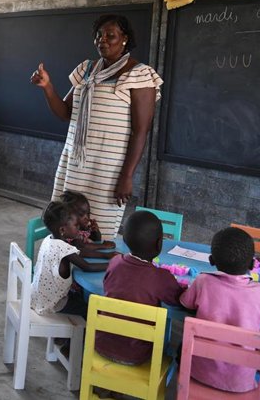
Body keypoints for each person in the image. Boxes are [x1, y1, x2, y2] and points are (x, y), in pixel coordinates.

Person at [30, 14, 163, 240]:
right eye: (99, 36)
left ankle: (89, 273)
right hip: (74, 161)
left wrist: (127, 176)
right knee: (64, 223)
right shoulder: (87, 70)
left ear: (124, 39)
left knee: (98, 229)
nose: (103, 40)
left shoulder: (139, 74)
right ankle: (61, 269)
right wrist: (47, 86)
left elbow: (141, 131)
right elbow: (65, 113)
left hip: (107, 168)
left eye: (110, 35)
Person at [94, 210, 183, 365]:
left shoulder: (115, 263)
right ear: (159, 243)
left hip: (101, 346)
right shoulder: (161, 277)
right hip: (136, 354)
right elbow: (179, 300)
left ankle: (111, 386)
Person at [180, 227, 260, 393]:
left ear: (211, 260)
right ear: (253, 264)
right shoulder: (259, 292)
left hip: (197, 373)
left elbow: (185, 304)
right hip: (241, 384)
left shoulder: (202, 282)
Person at [30, 201, 115, 316]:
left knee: (82, 297)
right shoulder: (63, 249)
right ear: (62, 230)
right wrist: (114, 264)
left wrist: (106, 255)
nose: (78, 228)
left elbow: (81, 252)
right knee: (94, 312)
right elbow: (88, 267)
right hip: (54, 304)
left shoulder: (49, 240)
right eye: (76, 226)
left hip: (37, 297)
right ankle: (85, 333)